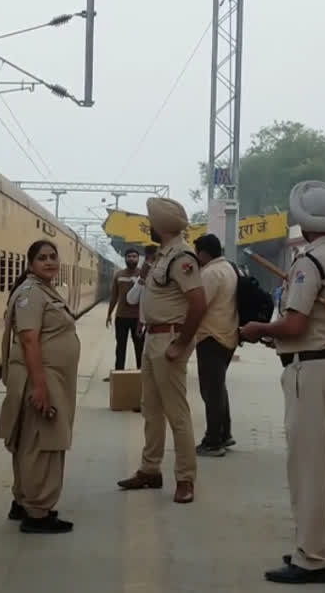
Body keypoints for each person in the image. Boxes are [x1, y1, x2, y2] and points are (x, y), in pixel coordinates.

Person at [238, 180, 325, 584]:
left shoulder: (309, 262)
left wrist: (257, 329)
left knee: (306, 466)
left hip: (310, 371)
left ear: (302, 223)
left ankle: (310, 556)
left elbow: (295, 323)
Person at [117, 198, 208, 504]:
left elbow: (198, 303)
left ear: (162, 226)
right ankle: (150, 469)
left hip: (168, 340)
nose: (150, 226)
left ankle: (185, 479)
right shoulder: (163, 256)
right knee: (151, 408)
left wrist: (181, 343)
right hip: (153, 339)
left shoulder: (182, 257)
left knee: (177, 414)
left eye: (152, 222)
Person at [0, 240, 80, 534]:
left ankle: (23, 501)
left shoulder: (42, 290)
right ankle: (37, 513)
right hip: (41, 378)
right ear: (30, 263)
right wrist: (40, 386)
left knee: (30, 443)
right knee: (42, 443)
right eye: (42, 258)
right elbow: (29, 339)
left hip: (48, 377)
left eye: (53, 257)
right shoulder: (31, 294)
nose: (49, 262)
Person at [192, 233, 240, 457]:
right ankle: (224, 433)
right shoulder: (229, 268)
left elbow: (200, 305)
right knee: (218, 388)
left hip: (211, 336)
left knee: (210, 390)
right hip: (228, 334)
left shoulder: (210, 273)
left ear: (203, 253)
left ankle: (212, 441)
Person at [106, 248, 145, 375]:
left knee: (139, 347)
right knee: (120, 347)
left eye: (134, 256)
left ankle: (141, 373)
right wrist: (109, 314)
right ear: (125, 258)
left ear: (138, 259)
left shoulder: (143, 275)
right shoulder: (119, 275)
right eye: (129, 256)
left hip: (138, 319)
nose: (132, 259)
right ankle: (119, 373)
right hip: (121, 317)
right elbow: (114, 296)